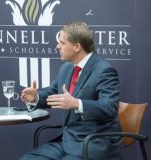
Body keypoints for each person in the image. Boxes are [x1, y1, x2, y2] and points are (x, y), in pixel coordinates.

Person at [20, 21, 122, 160]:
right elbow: (54, 93)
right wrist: (36, 97)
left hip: (92, 144)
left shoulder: (104, 70)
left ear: (77, 46)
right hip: (66, 142)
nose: (57, 46)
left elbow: (109, 107)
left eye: (62, 43)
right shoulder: (67, 67)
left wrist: (77, 104)